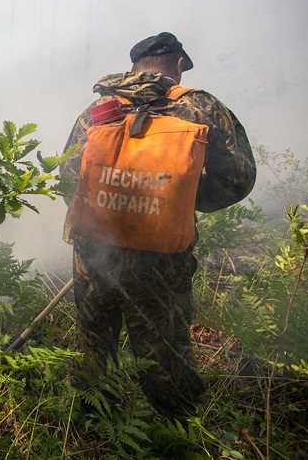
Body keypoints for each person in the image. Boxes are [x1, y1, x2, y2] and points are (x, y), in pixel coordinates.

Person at [59, 31, 256, 418]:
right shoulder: (202, 108)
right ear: (179, 64)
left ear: (135, 67)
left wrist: (112, 209)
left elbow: (68, 177)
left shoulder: (97, 111)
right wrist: (178, 201)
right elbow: (238, 178)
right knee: (164, 352)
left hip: (94, 251)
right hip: (161, 257)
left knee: (93, 345)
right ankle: (176, 432)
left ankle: (92, 428)